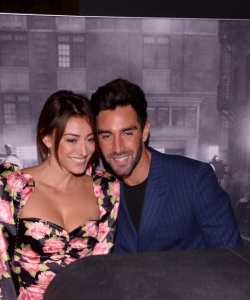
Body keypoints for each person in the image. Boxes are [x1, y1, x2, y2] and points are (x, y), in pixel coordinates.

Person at [0, 91, 120, 299]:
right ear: (46, 138)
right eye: (72, 140)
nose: (83, 150)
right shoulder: (8, 186)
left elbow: (99, 267)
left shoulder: (106, 189)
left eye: (90, 139)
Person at [90, 78, 243, 253]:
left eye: (127, 133)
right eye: (106, 136)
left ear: (145, 131)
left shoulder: (194, 179)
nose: (117, 148)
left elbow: (230, 258)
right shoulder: (99, 189)